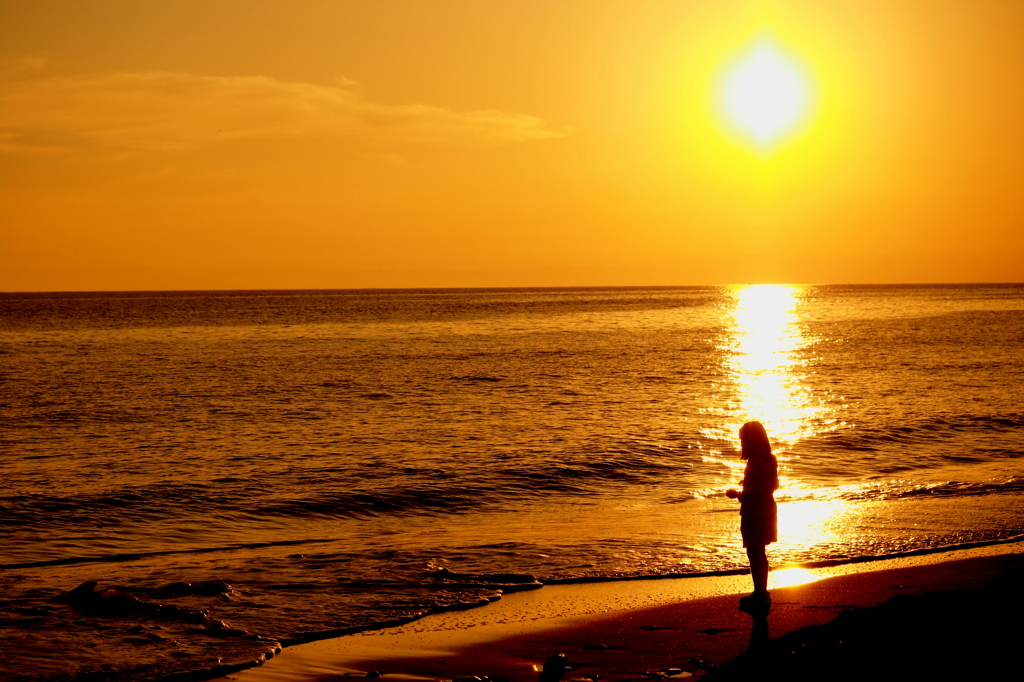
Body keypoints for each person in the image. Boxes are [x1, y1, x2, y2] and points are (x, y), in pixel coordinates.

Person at [726, 420, 779, 613]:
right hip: (769, 510)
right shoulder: (770, 459)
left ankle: (760, 593)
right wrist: (747, 482)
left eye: (742, 440)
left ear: (750, 441)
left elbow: (751, 494)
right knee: (760, 553)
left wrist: (736, 493)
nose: (741, 443)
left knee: (754, 554)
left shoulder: (754, 463)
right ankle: (761, 592)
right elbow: (771, 486)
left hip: (754, 514)